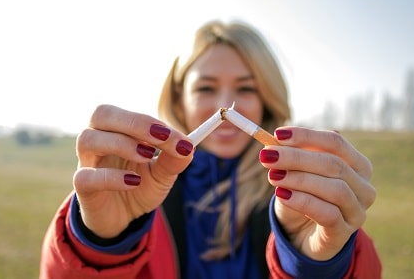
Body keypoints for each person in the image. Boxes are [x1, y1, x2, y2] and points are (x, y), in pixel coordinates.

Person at [40, 20, 381, 278]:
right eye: (205, 87)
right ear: (178, 98)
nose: (225, 108)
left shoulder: (302, 190)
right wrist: (99, 241)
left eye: (245, 89)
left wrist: (318, 261)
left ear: (267, 100)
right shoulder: (137, 184)